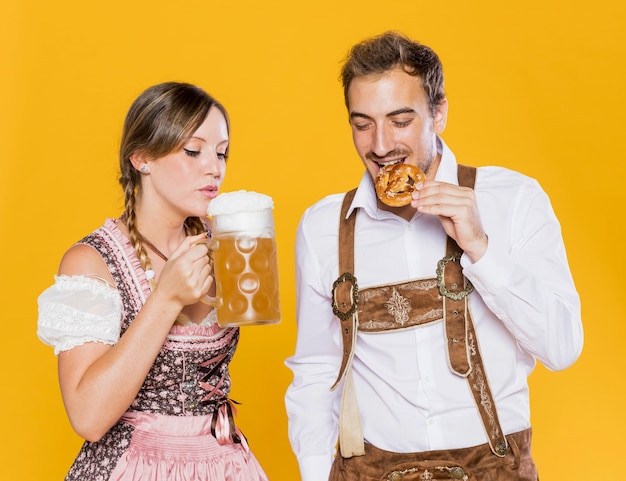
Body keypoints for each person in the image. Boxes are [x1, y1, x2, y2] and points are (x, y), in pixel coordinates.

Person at [284, 31, 583, 481]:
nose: (380, 146)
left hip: (494, 469)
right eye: (362, 124)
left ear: (438, 112)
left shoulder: (514, 198)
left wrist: (481, 249)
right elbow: (314, 370)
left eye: (400, 120)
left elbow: (562, 348)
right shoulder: (323, 227)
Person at [37, 82, 269, 481]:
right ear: (142, 158)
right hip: (135, 466)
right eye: (193, 151)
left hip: (225, 463)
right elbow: (88, 418)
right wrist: (165, 299)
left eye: (222, 152)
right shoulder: (92, 262)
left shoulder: (226, 243)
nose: (214, 167)